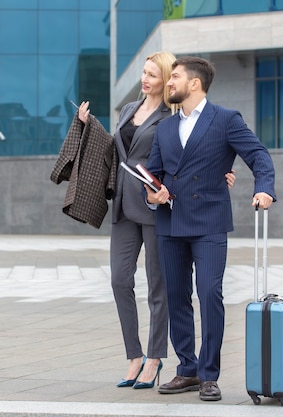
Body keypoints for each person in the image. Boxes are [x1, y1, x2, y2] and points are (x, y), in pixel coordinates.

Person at [77, 52, 236, 390]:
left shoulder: (172, 116)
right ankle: (133, 355)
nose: (144, 79)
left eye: (152, 74)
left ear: (168, 79)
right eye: (143, 73)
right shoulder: (129, 110)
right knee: (120, 280)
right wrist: (87, 127)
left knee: (159, 288)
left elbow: (189, 152)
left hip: (157, 208)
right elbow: (116, 149)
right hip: (123, 203)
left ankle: (154, 357)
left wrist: (219, 172)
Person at [145, 56, 276, 401]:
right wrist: (152, 194)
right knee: (176, 297)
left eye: (175, 78)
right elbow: (154, 174)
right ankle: (186, 369)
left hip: (209, 223)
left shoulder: (226, 119)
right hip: (170, 221)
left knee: (209, 293)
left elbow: (259, 155)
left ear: (195, 83)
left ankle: (209, 374)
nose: (169, 83)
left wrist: (263, 188)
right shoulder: (165, 128)